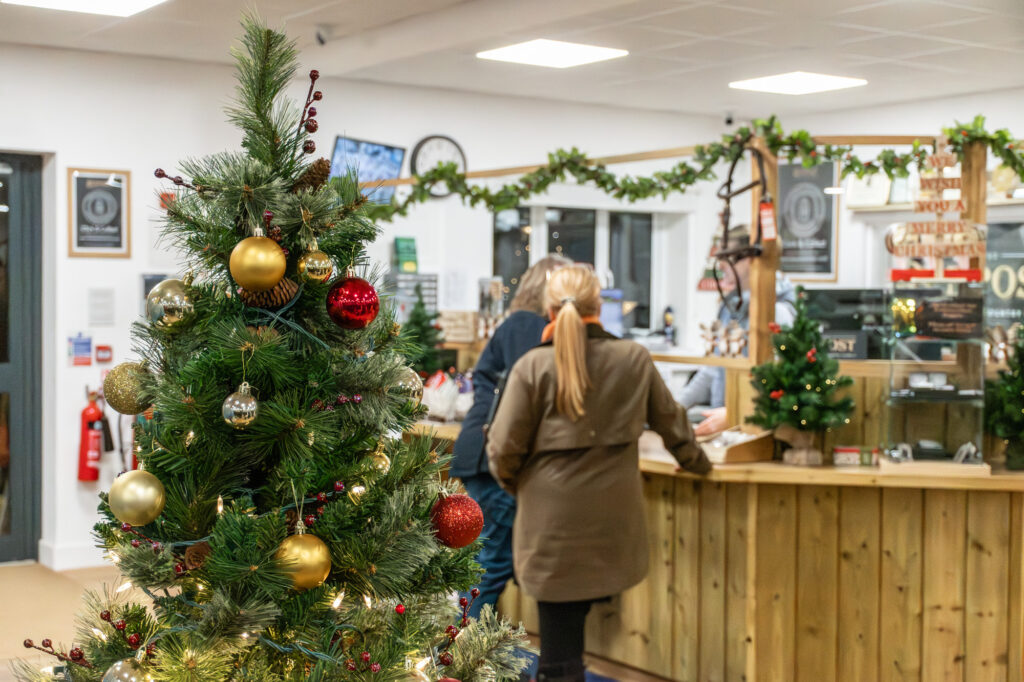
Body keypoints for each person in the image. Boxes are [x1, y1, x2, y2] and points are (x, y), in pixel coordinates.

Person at [486, 264, 711, 682]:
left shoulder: (533, 367)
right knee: (569, 641)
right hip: (613, 529)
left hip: (550, 529)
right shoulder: (633, 358)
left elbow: (501, 451)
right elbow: (674, 426)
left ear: (549, 309)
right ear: (599, 306)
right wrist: (701, 465)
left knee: (556, 653)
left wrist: (521, 488)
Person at [450, 254, 571, 618]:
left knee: (488, 561)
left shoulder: (514, 323)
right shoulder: (530, 327)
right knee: (491, 564)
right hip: (495, 459)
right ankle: (457, 660)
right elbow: (531, 397)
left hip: (482, 452)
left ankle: (471, 655)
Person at [682, 224, 797, 436]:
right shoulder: (728, 308)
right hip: (727, 428)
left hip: (757, 431)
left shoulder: (777, 312)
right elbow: (713, 369)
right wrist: (675, 407)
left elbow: (784, 383)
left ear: (751, 259)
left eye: (728, 257)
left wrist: (735, 413)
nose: (722, 265)